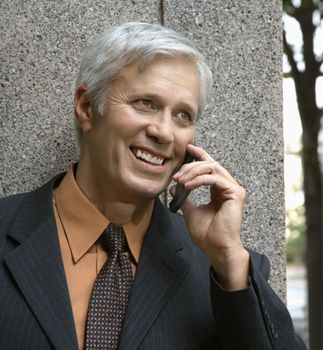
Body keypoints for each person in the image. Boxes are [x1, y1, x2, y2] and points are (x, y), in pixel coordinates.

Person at [0, 22, 306, 350]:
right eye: (146, 103)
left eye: (183, 116)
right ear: (88, 108)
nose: (164, 132)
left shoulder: (221, 270)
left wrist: (228, 259)